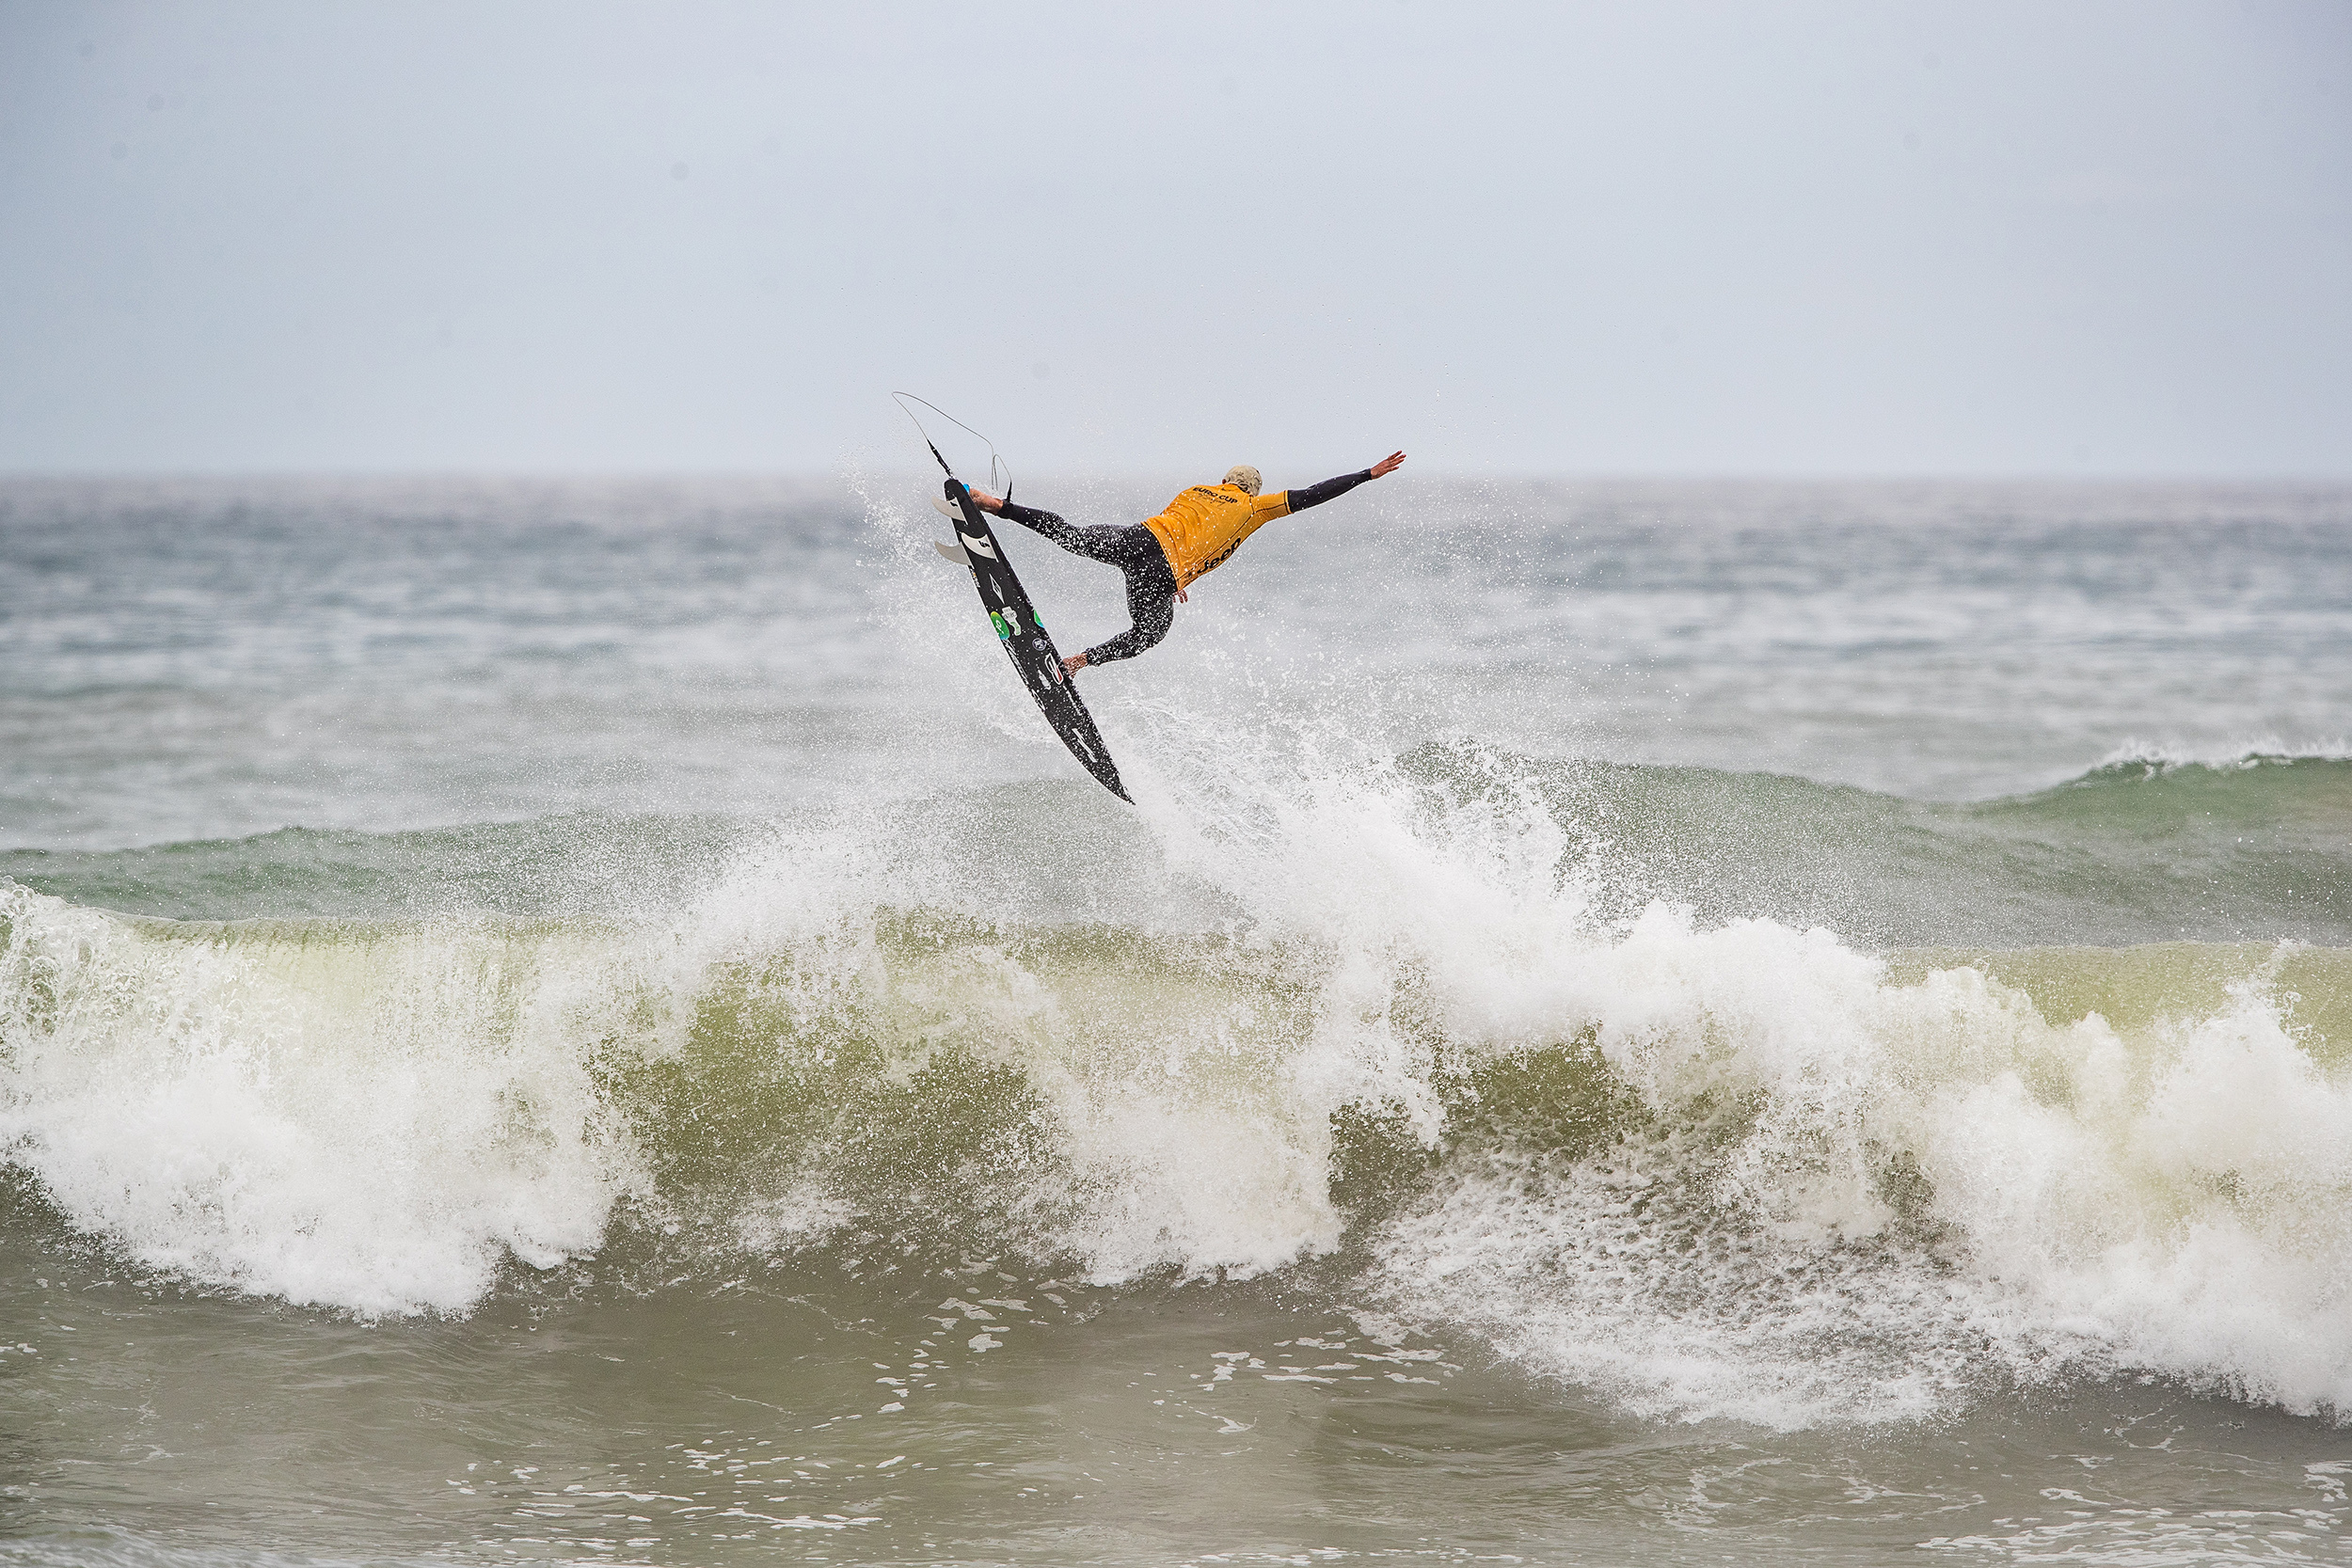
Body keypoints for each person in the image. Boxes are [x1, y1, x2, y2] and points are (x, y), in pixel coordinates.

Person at [966, 451, 1406, 676]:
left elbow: (1187, 530)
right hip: (1160, 573)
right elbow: (1313, 494)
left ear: (1224, 481)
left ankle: (996, 505)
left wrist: (1182, 571)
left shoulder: (1195, 490)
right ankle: (1078, 661)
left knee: (1071, 534)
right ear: (1252, 491)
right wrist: (1367, 474)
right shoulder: (1255, 507)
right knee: (1148, 634)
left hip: (1139, 538)